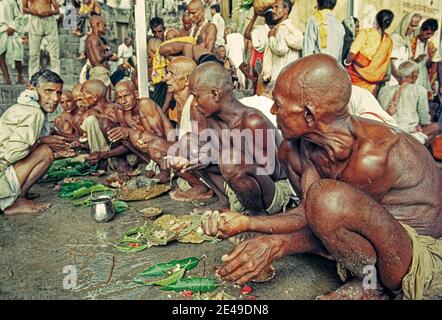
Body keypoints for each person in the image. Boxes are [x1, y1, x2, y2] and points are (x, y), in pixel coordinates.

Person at [201, 54, 442, 300]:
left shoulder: (372, 156)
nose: (273, 111)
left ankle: (371, 286)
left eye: (279, 105)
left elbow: (328, 215)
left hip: (413, 258)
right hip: (366, 241)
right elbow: (310, 213)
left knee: (328, 199)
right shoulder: (301, 147)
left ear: (309, 115)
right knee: (314, 186)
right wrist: (246, 222)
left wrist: (276, 245)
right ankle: (360, 274)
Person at [172, 61, 292, 215]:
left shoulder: (252, 121)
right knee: (189, 144)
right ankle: (225, 200)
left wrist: (219, 159)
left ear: (215, 94)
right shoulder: (211, 118)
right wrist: (195, 161)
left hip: (271, 192)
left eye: (196, 97)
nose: (194, 104)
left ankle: (257, 217)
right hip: (238, 186)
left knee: (229, 159)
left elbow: (272, 172)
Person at [0, 69, 69, 215]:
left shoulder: (29, 107)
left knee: (44, 148)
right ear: (32, 89)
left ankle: (17, 195)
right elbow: (12, 155)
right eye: (48, 91)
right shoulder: (34, 112)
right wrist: (42, 141)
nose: (55, 98)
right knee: (45, 152)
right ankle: (14, 201)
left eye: (58, 92)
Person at [378, 61, 433, 144]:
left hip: (386, 131)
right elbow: (424, 120)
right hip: (407, 133)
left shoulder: (383, 90)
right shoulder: (420, 90)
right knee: (436, 127)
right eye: (417, 74)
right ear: (414, 75)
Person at [344, 9, 395, 95]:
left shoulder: (366, 33)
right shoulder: (388, 41)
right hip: (372, 84)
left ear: (376, 19)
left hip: (354, 77)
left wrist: (346, 64)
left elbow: (352, 52)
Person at [262, 0, 303, 83]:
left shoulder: (282, 28)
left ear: (286, 10)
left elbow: (281, 49)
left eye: (276, 7)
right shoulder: (291, 27)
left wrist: (271, 38)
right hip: (289, 78)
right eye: (272, 8)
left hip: (278, 77)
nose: (273, 11)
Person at [23, 0, 61, 78]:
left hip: (49, 19)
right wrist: (33, 12)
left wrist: (49, 12)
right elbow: (24, 9)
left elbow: (57, 10)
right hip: (35, 20)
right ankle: (33, 79)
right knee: (33, 53)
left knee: (54, 53)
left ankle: (57, 77)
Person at [389, 13, 422, 86]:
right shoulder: (394, 38)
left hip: (403, 80)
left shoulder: (406, 40)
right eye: (412, 25)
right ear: (405, 24)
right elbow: (389, 62)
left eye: (416, 26)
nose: (413, 29)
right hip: (393, 80)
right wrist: (398, 78)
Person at [85, 15, 118, 90]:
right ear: (97, 24)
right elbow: (99, 58)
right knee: (107, 98)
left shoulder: (93, 38)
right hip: (100, 73)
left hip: (99, 72)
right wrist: (109, 53)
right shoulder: (94, 39)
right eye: (104, 25)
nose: (106, 28)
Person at [410, 19, 439, 99]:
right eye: (427, 33)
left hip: (425, 77)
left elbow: (435, 62)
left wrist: (430, 63)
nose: (429, 36)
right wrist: (416, 60)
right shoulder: (411, 42)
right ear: (421, 30)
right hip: (413, 75)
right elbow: (404, 62)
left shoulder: (430, 45)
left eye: (431, 34)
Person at [0, 0, 27, 85]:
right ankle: (7, 78)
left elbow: (18, 17)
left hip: (10, 30)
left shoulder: (10, 1)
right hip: (1, 30)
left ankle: (20, 76)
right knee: (0, 55)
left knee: (17, 54)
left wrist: (12, 26)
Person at [225, 23, 245, 89]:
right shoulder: (240, 36)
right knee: (241, 74)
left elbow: (227, 48)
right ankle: (242, 87)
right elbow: (243, 48)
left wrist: (226, 55)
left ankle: (233, 87)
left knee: (232, 72)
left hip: (232, 56)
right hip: (239, 56)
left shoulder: (228, 36)